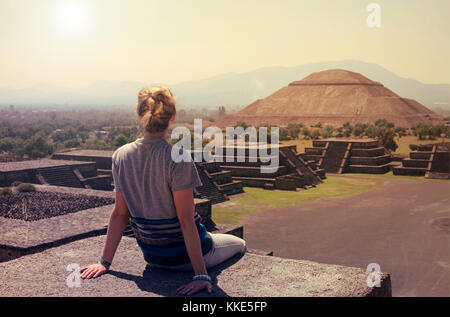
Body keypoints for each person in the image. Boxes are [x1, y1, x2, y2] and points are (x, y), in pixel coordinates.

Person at [80, 86, 246, 296]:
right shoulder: (178, 157)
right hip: (185, 259)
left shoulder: (120, 156)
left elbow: (120, 213)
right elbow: (185, 220)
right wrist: (201, 275)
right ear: (172, 117)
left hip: (153, 257)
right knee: (240, 244)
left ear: (140, 116)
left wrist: (104, 262)